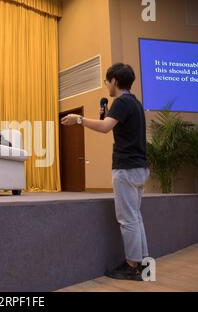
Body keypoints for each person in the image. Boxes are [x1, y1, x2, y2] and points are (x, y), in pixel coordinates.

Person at [61, 63, 150, 281]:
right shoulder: (135, 103)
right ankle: (144, 264)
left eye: (106, 81)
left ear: (115, 82)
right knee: (135, 218)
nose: (106, 86)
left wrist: (79, 119)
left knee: (127, 219)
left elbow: (104, 127)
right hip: (140, 168)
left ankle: (131, 266)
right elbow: (110, 124)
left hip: (126, 168)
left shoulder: (121, 102)